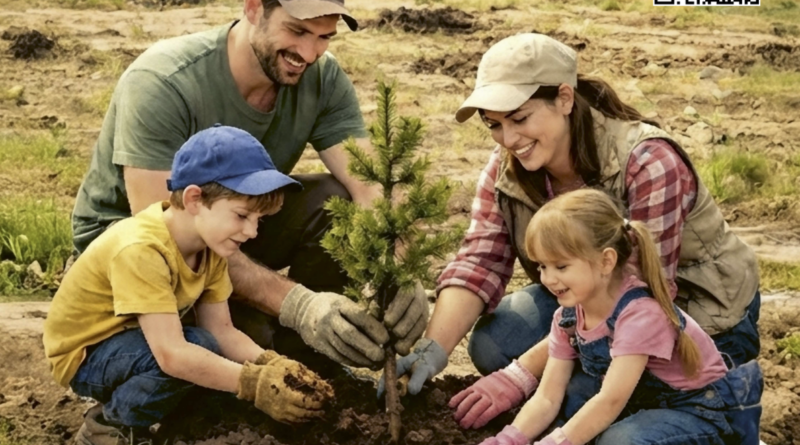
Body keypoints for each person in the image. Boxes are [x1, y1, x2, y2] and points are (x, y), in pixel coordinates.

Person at [387, 32, 761, 401]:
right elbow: (480, 261)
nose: (508, 138)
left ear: (564, 98)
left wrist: (519, 377)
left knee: (582, 392)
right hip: (591, 295)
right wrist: (432, 349)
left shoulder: (647, 161)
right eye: (494, 124)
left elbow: (639, 295)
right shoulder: (507, 168)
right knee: (493, 345)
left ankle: (718, 401)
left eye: (519, 118)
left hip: (691, 310)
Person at [69, 0, 428, 372]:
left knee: (333, 204)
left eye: (324, 37)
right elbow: (165, 236)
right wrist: (299, 305)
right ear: (254, 8)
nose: (309, 53)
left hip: (234, 220)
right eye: (297, 30)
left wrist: (399, 266)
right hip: (138, 245)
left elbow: (372, 185)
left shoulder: (321, 77)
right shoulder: (165, 82)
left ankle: (314, 365)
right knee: (232, 346)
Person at [44, 126, 337, 445]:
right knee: (195, 350)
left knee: (206, 346)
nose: (252, 232)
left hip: (131, 341)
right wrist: (253, 385)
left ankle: (153, 411)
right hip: (86, 355)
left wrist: (272, 363)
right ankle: (108, 426)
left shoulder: (211, 249)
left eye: (258, 220)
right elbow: (171, 354)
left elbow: (222, 330)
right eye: (241, 215)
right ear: (194, 198)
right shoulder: (143, 249)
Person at [472, 189, 762, 445]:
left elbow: (610, 400)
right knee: (570, 401)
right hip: (639, 399)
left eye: (561, 266)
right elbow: (547, 396)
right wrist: (508, 439)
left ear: (606, 261)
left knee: (620, 441)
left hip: (697, 410)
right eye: (542, 266)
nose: (547, 278)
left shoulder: (640, 315)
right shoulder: (568, 317)